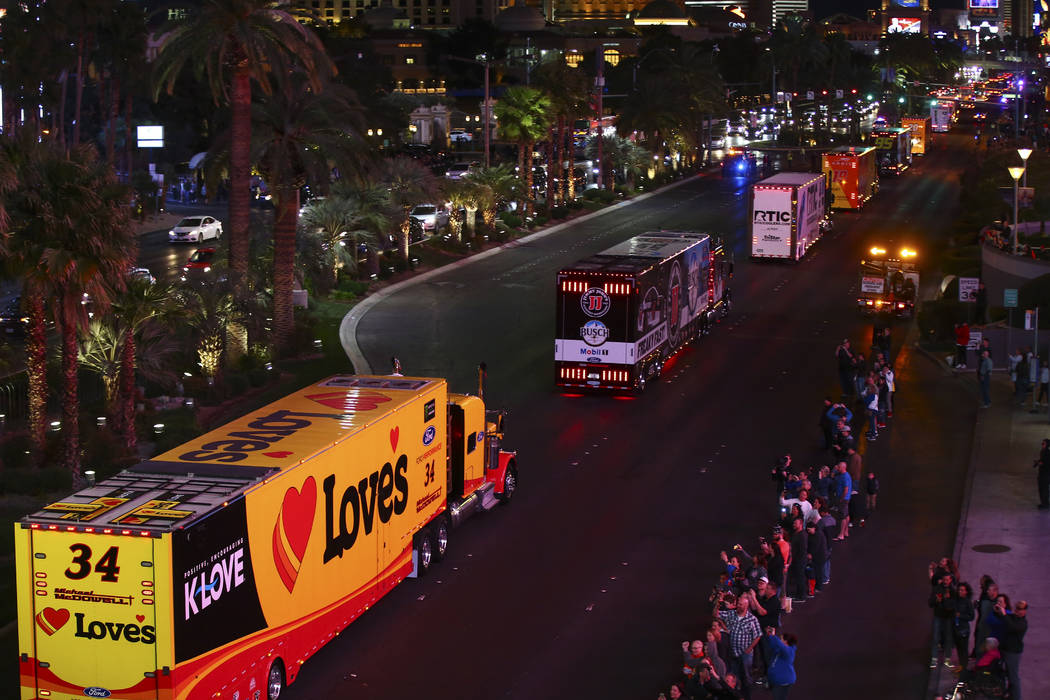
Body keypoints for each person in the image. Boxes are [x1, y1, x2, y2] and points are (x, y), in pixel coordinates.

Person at [714, 592, 762, 698]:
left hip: (745, 653)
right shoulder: (732, 614)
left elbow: (758, 635)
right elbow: (716, 614)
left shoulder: (752, 619)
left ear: (746, 606)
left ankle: (747, 696)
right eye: (738, 603)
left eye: (740, 604)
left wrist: (749, 649)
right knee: (734, 677)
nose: (738, 606)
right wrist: (717, 602)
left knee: (747, 677)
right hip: (733, 652)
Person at [994, 598, 1028, 700]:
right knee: (1004, 674)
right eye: (1017, 608)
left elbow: (1012, 626)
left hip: (1013, 652)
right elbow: (1004, 618)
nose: (1017, 610)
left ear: (1024, 611)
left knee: (1013, 678)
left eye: (1020, 609)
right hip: (1005, 649)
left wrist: (1004, 614)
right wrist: (999, 610)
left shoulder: (1023, 623)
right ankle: (1008, 695)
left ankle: (1017, 697)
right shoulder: (1013, 617)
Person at [929, 570, 957, 668]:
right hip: (938, 616)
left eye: (947, 579)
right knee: (936, 637)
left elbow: (953, 606)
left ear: (950, 580)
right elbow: (930, 603)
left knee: (948, 638)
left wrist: (945, 599)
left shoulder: (953, 591)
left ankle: (947, 659)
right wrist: (937, 600)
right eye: (944, 579)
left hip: (948, 618)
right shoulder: (937, 589)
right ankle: (934, 659)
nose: (945, 581)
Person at [764, 629, 797, 700]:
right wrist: (770, 636)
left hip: (783, 682)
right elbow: (774, 645)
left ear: (786, 641)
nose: (779, 640)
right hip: (776, 681)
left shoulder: (789, 652)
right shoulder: (780, 650)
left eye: (781, 639)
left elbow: (780, 645)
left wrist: (773, 636)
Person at [952, 581, 975, 671]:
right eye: (959, 590)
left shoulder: (968, 602)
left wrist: (960, 615)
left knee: (963, 649)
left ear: (966, 592)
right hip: (955, 628)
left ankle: (964, 667)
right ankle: (961, 666)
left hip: (963, 629)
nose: (960, 592)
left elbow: (971, 617)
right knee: (959, 648)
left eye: (962, 590)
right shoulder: (956, 600)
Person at [1034, 438, 1050, 509]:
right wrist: (1037, 462)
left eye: (1043, 443)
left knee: (1044, 489)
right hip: (1042, 473)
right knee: (1041, 488)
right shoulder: (1042, 451)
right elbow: (1042, 460)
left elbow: (1046, 463)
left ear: (1047, 445)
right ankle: (1044, 503)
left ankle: (1045, 504)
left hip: (1046, 474)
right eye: (1042, 443)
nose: (1042, 445)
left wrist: (1040, 463)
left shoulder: (1048, 452)